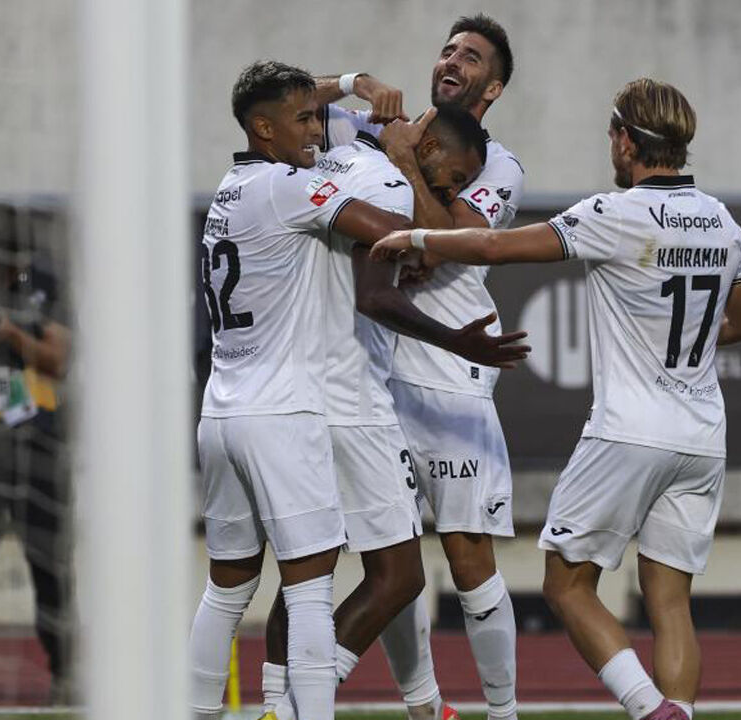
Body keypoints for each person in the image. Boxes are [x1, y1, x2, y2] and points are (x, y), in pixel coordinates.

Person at [370, 77, 741, 720]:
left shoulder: (615, 213)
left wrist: (417, 239)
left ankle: (647, 709)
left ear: (626, 139)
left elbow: (495, 245)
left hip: (629, 428)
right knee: (670, 602)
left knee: (567, 581)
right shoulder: (724, 222)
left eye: (612, 131)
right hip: (702, 435)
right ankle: (680, 713)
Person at [190, 60, 515, 720]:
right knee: (386, 577)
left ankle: (277, 703)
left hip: (229, 402)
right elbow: (385, 285)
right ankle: (292, 711)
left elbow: (291, 100)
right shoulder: (372, 181)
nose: (445, 190)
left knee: (243, 586)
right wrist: (459, 337)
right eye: (449, 178)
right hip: (331, 400)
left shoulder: (276, 174)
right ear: (426, 149)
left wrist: (352, 80)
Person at [312, 15, 525, 720]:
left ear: (491, 86)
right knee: (392, 555)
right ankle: (427, 707)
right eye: (448, 49)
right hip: (377, 367)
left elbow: (442, 246)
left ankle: (503, 710)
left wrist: (405, 160)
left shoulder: (500, 164)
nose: (452, 61)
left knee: (467, 559)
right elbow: (283, 105)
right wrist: (353, 83)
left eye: (471, 57)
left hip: (452, 370)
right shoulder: (376, 123)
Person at [0, 205, 72, 706]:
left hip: (37, 441)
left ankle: (65, 675)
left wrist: (11, 333)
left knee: (49, 567)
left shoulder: (43, 281)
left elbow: (58, 360)